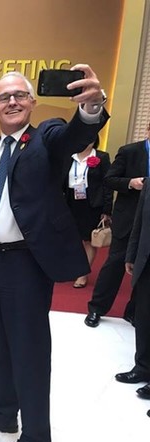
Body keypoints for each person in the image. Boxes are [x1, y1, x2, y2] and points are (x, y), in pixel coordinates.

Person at [0, 66, 108, 442]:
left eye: (19, 95)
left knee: (29, 352)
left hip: (27, 263)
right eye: (3, 97)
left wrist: (92, 106)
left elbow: (76, 135)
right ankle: (3, 411)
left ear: (32, 102)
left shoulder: (46, 137)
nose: (12, 102)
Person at [85, 125, 150, 327]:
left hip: (148, 221)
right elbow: (109, 179)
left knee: (144, 269)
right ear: (148, 130)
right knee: (114, 265)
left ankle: (133, 312)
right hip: (128, 218)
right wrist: (131, 183)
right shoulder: (130, 151)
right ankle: (96, 308)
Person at [63, 137, 112, 288]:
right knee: (72, 238)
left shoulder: (101, 157)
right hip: (70, 202)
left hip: (92, 204)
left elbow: (107, 184)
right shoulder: (69, 156)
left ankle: (83, 274)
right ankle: (73, 268)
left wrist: (107, 209)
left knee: (88, 240)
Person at [124, 179, 150, 410]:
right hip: (146, 261)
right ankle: (142, 367)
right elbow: (140, 221)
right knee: (143, 318)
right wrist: (131, 254)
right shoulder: (148, 183)